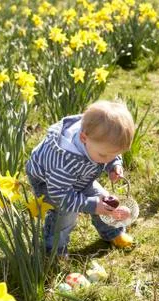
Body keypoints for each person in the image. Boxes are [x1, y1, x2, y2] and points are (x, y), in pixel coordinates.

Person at [26, 100, 135, 256]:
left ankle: (112, 233)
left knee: (106, 200)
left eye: (115, 153)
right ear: (83, 138)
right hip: (50, 184)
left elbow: (110, 154)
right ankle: (53, 249)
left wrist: (114, 164)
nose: (107, 159)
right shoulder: (64, 161)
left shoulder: (97, 140)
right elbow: (60, 196)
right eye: (104, 155)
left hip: (80, 176)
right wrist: (92, 205)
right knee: (65, 214)